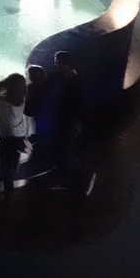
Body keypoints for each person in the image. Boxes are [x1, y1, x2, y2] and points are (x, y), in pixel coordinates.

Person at [48, 50, 94, 194]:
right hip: (67, 123)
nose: (56, 66)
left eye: (57, 64)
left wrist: (72, 124)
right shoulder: (71, 79)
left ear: (65, 64)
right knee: (64, 151)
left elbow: (75, 107)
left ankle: (64, 182)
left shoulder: (75, 84)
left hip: (68, 124)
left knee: (64, 152)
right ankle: (82, 172)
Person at [0, 73, 30, 197]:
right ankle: (10, 190)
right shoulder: (23, 99)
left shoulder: (2, 102)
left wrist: (1, 84)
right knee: (13, 163)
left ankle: (8, 196)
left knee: (6, 166)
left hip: (6, 138)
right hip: (20, 137)